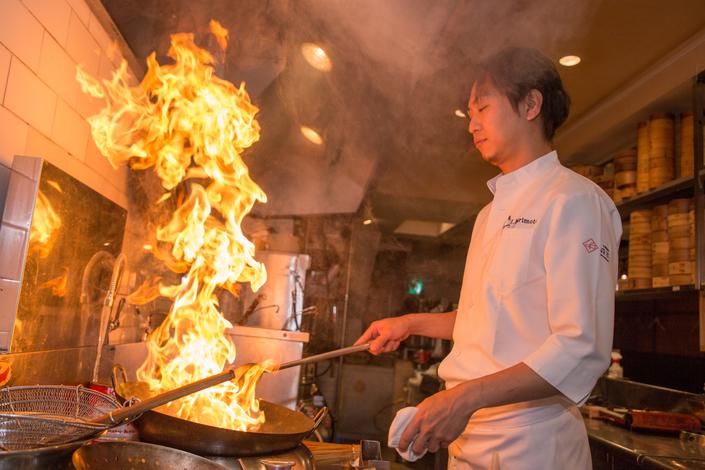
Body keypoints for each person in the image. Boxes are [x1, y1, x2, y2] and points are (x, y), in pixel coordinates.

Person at [355, 47, 622, 469]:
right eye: (470, 113)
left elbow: (580, 348)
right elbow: (487, 317)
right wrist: (408, 323)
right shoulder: (488, 214)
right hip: (469, 442)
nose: (472, 124)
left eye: (482, 107)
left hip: (531, 446)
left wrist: (464, 398)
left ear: (530, 105)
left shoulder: (574, 201)